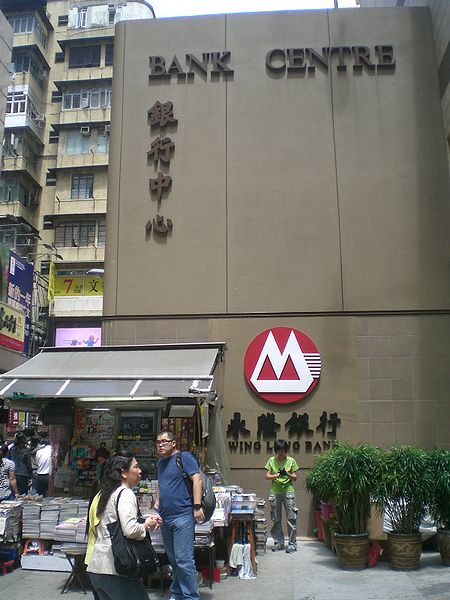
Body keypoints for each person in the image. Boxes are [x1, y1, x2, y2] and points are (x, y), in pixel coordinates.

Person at [86, 451, 160, 600]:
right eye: (136, 467)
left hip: (97, 567)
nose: (140, 471)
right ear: (124, 473)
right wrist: (146, 524)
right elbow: (130, 530)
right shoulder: (125, 494)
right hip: (116, 568)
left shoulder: (104, 493)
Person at [155, 430, 203, 600]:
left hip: (183, 515)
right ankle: (177, 593)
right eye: (158, 442)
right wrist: (157, 500)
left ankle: (191, 597)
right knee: (174, 560)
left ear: (173, 443)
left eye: (164, 441)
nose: (160, 444)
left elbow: (197, 479)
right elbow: (162, 484)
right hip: (165, 517)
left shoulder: (184, 457)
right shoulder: (161, 463)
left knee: (184, 560)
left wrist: (197, 506)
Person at [265, 439, 299, 554]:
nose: (281, 453)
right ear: (276, 451)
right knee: (276, 518)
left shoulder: (291, 461)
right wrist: (276, 475)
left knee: (291, 518)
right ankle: (278, 542)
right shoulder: (271, 460)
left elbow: (295, 477)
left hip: (288, 492)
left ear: (286, 450)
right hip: (275, 492)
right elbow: (267, 476)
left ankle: (292, 544)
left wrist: (287, 473)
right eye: (279, 451)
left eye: (283, 451)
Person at [10, 431, 33, 495]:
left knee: (14, 493)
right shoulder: (26, 451)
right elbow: (28, 465)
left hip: (13, 473)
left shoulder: (12, 450)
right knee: (23, 494)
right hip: (23, 474)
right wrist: (31, 477)